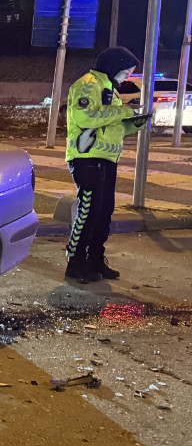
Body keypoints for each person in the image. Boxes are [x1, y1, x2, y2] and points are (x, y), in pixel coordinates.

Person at [64, 46, 149, 283]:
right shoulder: (89, 85)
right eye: (126, 71)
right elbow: (85, 116)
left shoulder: (110, 89)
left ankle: (95, 260)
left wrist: (134, 123)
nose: (128, 76)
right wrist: (122, 112)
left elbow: (111, 126)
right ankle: (76, 263)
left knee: (103, 212)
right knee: (89, 212)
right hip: (87, 157)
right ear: (114, 65)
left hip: (106, 158)